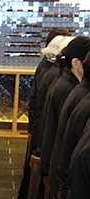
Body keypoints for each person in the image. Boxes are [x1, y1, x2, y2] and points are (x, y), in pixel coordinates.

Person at [18, 28, 71, 199]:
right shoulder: (57, 75)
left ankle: (26, 198)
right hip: (44, 134)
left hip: (39, 128)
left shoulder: (49, 68)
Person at [39, 36, 90, 184]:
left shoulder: (71, 85)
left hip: (57, 167)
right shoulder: (70, 89)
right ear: (76, 63)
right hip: (60, 176)